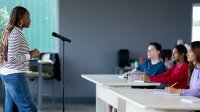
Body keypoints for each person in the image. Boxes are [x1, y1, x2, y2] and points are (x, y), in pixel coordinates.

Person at [0, 6, 40, 112]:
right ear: (21, 18)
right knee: (30, 109)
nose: (30, 20)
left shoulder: (15, 32)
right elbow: (13, 58)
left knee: (11, 109)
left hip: (10, 74)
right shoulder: (16, 33)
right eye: (27, 17)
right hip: (14, 75)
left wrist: (29, 53)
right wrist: (31, 54)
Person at [107, 42, 166, 112]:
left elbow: (158, 82)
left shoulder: (161, 67)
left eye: (151, 50)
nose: (148, 52)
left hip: (146, 92)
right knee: (109, 97)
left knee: (117, 99)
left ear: (158, 52)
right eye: (148, 50)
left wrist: (142, 78)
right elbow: (135, 70)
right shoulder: (146, 62)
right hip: (137, 87)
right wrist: (128, 73)